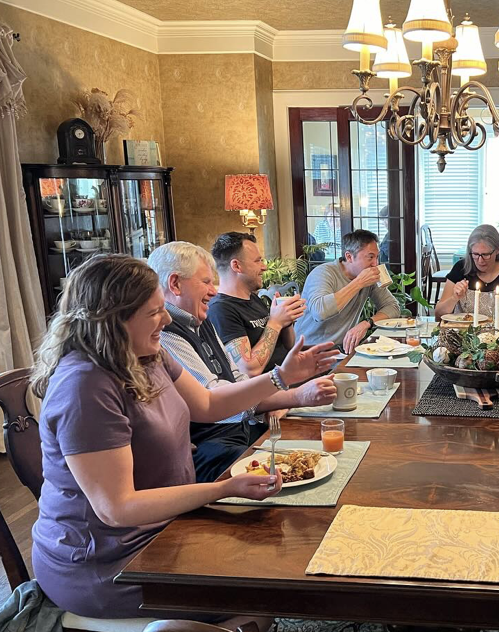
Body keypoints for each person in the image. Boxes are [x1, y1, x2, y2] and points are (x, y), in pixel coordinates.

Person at [29, 254, 337, 620]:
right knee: (266, 576)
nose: (167, 319)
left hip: (170, 525)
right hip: (110, 562)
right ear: (113, 319)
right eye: (154, 311)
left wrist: (280, 378)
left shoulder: (145, 353)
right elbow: (118, 508)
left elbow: (208, 403)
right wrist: (222, 489)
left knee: (275, 549)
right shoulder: (85, 386)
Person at [148, 242, 337, 482]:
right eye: (206, 282)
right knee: (284, 475)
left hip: (243, 429)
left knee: (312, 455)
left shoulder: (201, 319)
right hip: (211, 446)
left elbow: (238, 379)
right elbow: (212, 400)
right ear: (175, 283)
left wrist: (296, 394)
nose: (214, 290)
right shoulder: (165, 333)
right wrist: (289, 387)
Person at [207, 232, 305, 377]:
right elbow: (248, 370)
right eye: (257, 261)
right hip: (268, 390)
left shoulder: (253, 298)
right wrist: (276, 323)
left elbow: (289, 345)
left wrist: (286, 320)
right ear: (236, 266)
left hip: (289, 375)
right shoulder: (220, 309)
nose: (264, 267)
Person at [294, 229, 400, 353]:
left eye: (377, 257)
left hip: (342, 350)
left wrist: (367, 323)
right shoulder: (323, 273)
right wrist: (358, 283)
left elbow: (392, 306)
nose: (375, 263)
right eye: (370, 257)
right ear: (349, 257)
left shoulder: (369, 278)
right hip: (308, 351)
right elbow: (320, 311)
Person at [435, 224, 499, 321]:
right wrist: (454, 298)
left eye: (486, 254)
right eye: (475, 254)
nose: (480, 260)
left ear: (498, 250)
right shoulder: (461, 268)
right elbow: (439, 314)